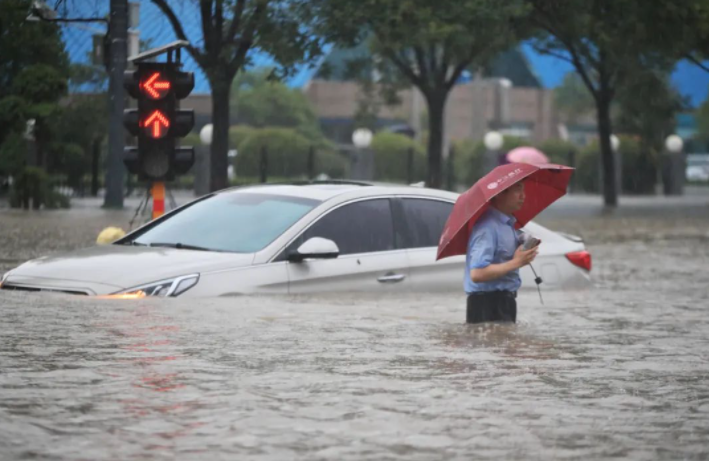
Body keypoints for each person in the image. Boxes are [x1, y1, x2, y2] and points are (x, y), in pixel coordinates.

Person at [464, 181, 539, 324]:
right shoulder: (487, 228)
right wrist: (516, 262)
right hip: (486, 304)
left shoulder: (507, 225)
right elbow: (477, 273)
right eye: (517, 190)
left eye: (523, 189)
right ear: (499, 194)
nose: (523, 195)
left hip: (505, 301)